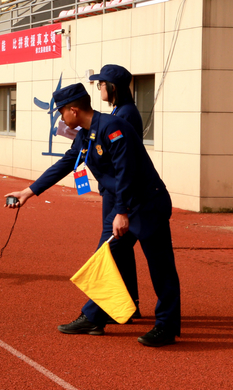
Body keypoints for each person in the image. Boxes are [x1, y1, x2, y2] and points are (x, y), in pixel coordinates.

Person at [4, 83, 181, 347]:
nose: (61, 118)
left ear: (73, 110)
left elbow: (126, 172)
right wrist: (28, 192)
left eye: (62, 112)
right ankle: (94, 317)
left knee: (160, 266)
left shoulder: (113, 128)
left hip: (145, 205)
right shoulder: (85, 135)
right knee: (105, 259)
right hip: (123, 206)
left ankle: (166, 326)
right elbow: (66, 163)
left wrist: (121, 212)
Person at [90, 64, 143, 320]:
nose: (98, 87)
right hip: (113, 189)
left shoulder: (124, 115)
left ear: (112, 86)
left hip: (118, 191)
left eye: (100, 83)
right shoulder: (120, 111)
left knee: (112, 248)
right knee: (120, 248)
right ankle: (129, 303)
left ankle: (101, 311)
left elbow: (121, 161)